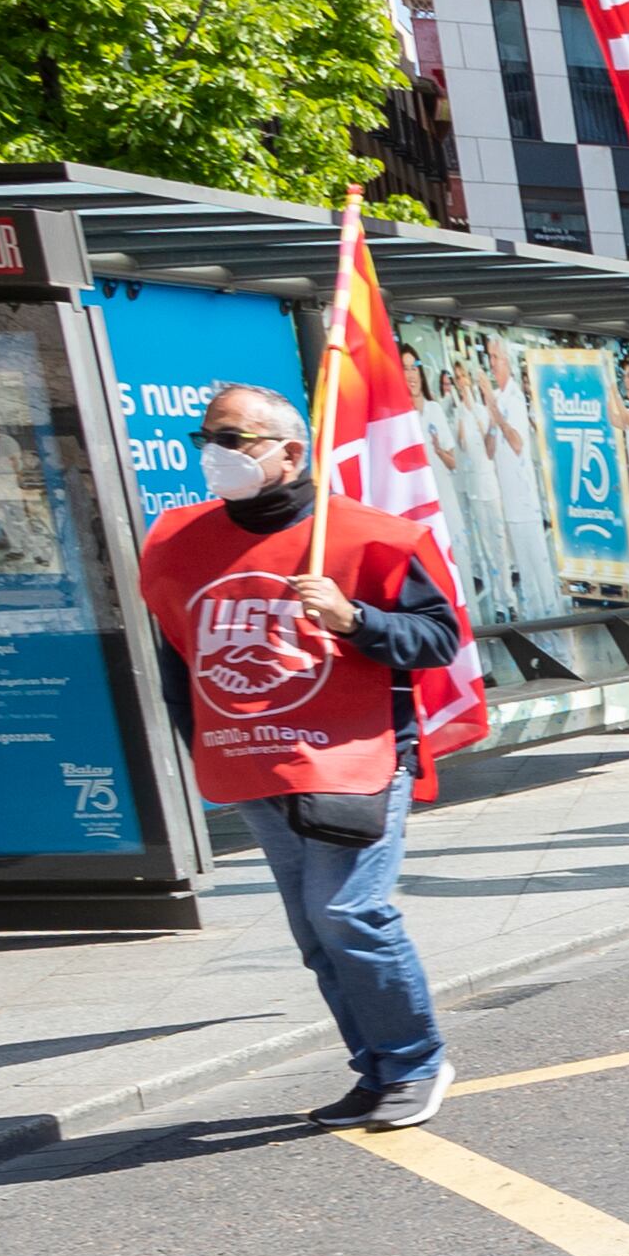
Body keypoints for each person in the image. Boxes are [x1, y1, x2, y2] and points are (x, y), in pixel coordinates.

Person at [134, 383, 468, 1127]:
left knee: (348, 910)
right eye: (207, 438)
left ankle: (416, 1061)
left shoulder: (367, 538)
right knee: (316, 931)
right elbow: (178, 661)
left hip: (356, 754)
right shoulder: (178, 543)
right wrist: (204, 747)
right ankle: (377, 1070)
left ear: (290, 450)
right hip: (253, 759)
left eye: (234, 438)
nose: (215, 453)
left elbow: (438, 639)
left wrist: (353, 618)